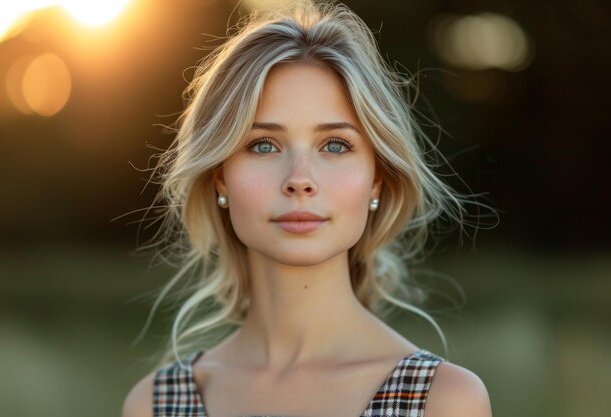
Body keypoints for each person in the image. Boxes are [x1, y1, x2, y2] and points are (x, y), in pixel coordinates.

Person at [123, 1, 492, 416]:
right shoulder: (154, 405)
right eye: (263, 145)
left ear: (377, 179)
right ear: (220, 177)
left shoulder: (443, 401)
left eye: (335, 145)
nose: (300, 179)